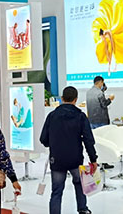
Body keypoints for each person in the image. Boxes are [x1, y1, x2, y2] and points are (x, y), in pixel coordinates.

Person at [40, 86, 98, 214]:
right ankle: (82, 209)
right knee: (79, 184)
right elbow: (88, 140)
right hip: (75, 159)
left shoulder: (52, 116)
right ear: (76, 99)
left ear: (62, 98)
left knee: (56, 191)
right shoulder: (81, 116)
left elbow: (43, 139)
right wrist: (93, 159)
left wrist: (54, 143)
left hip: (57, 159)